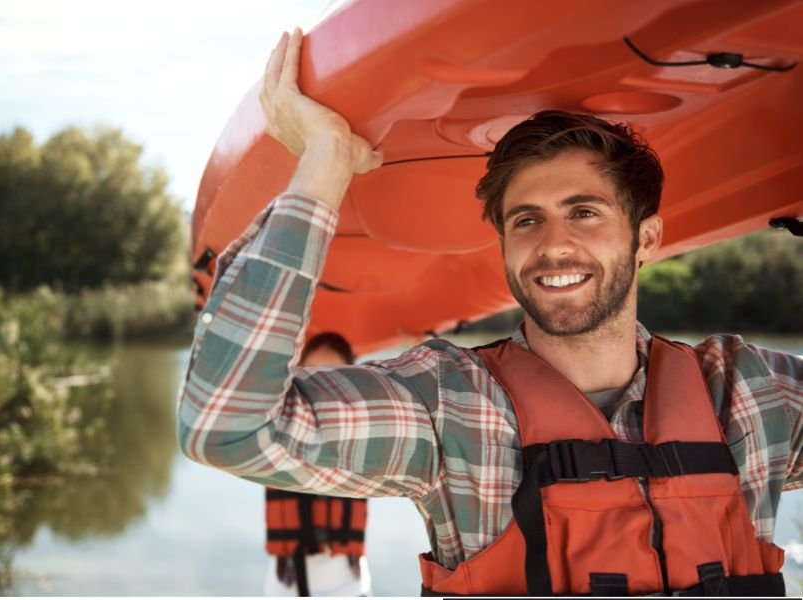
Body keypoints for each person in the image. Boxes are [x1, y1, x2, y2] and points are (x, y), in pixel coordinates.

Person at [178, 29, 803, 596]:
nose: (554, 244)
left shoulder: (746, 393)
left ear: (645, 239)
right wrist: (323, 164)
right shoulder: (449, 406)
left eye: (584, 212)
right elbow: (227, 426)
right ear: (503, 244)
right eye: (526, 221)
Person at [263, 332, 372, 597]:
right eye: (312, 375)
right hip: (284, 583)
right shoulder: (272, 427)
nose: (322, 387)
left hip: (348, 583)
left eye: (334, 376)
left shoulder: (365, 434)